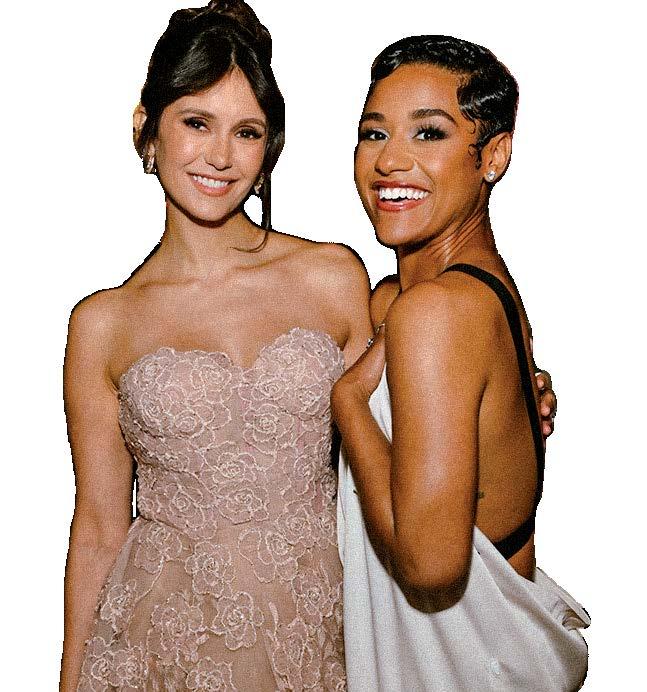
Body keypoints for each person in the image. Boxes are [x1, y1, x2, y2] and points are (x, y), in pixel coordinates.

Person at [60, 2, 370, 689]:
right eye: (196, 122)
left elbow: (400, 446)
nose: (221, 156)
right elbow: (100, 528)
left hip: (316, 638)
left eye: (246, 132)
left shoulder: (332, 277)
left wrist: (505, 389)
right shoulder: (103, 324)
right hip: (161, 647)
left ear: (268, 150)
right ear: (146, 130)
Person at [333, 35, 589, 691]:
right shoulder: (440, 298)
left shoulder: (436, 312)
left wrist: (348, 404)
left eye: (429, 133)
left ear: (493, 156)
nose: (390, 160)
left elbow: (430, 566)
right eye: (373, 133)